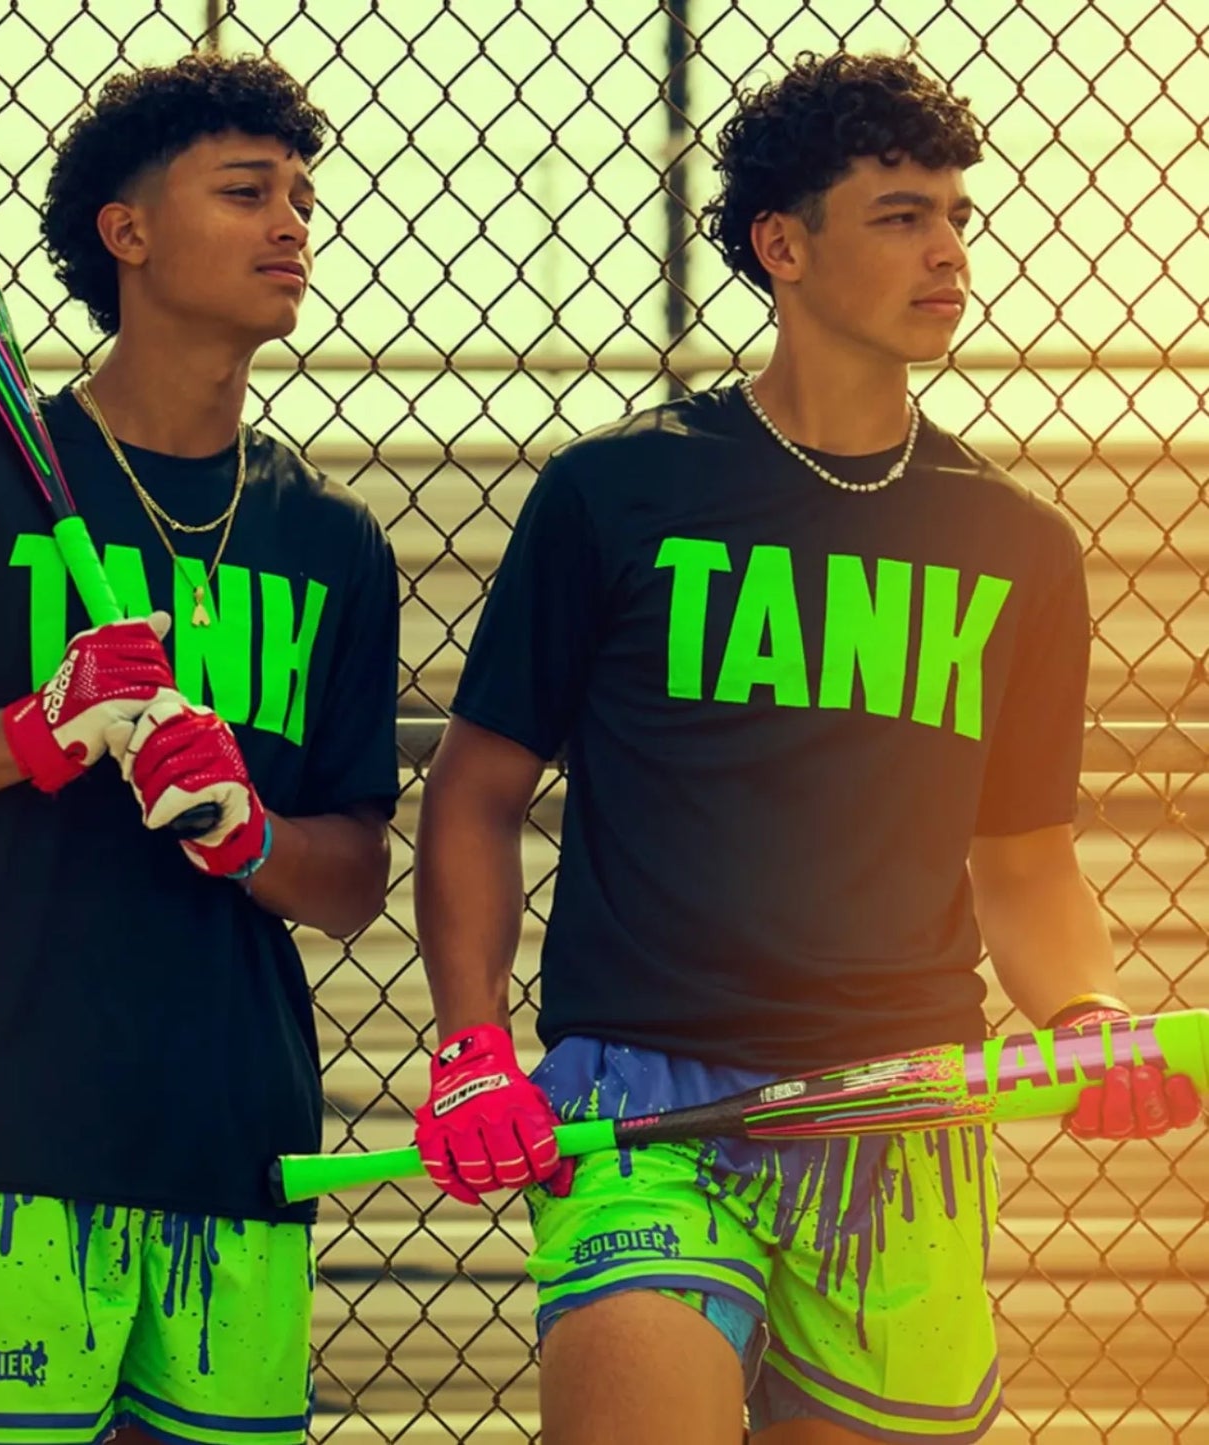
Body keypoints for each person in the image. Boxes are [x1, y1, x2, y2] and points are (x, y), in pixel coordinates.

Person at [408, 50, 1202, 1445]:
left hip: (901, 1103)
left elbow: (1020, 860)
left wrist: (1082, 1018)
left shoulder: (1014, 541)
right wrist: (471, 1041)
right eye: (900, 215)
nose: (948, 251)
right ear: (782, 244)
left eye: (956, 214)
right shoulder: (617, 489)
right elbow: (474, 793)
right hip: (640, 1101)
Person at [0, 52, 400, 1445]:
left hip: (239, 1150)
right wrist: (30, 733)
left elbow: (353, 873)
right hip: (4, 1143)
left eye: (302, 194)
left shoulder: (331, 539)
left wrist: (249, 835)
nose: (293, 223)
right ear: (127, 232)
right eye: (246, 193)